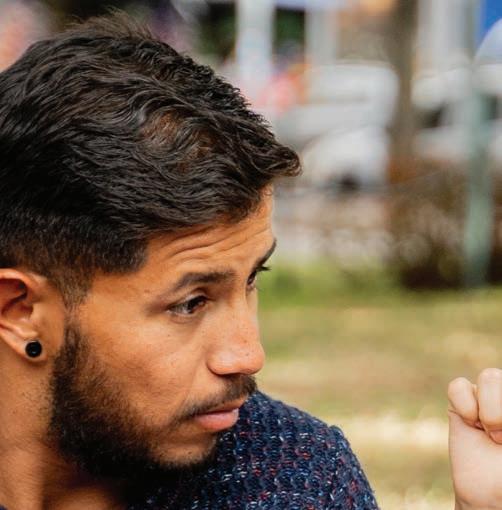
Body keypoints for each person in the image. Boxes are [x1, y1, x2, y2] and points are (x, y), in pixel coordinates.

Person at [0, 13, 500, 510]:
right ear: (19, 309)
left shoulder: (293, 480)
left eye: (253, 278)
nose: (247, 355)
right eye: (191, 303)